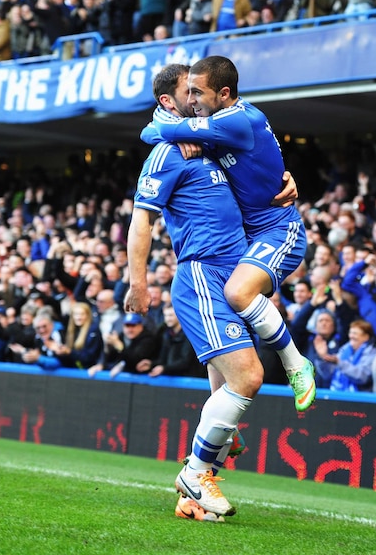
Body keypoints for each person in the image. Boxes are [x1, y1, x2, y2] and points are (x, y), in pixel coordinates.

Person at [126, 63, 268, 518]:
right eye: (189, 91)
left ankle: (193, 496)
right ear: (171, 102)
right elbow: (141, 219)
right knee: (247, 378)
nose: (198, 97)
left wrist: (284, 182)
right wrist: (139, 281)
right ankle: (196, 471)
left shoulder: (211, 144)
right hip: (203, 276)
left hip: (234, 278)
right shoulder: (168, 152)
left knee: (228, 389)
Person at [142, 56, 315, 412]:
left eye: (197, 92)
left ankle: (296, 364)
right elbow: (149, 132)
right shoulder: (213, 122)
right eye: (186, 92)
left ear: (223, 93)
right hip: (249, 237)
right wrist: (175, 131)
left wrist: (174, 129)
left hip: (279, 229)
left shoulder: (235, 121)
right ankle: (219, 417)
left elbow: (160, 130)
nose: (191, 100)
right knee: (223, 325)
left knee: (237, 293)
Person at [323, 319, 376, 392]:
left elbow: (362, 376)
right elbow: (328, 374)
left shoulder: (372, 353)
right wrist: (323, 356)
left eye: (355, 333)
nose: (351, 336)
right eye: (350, 332)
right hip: (337, 394)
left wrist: (339, 363)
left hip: (359, 399)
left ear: (366, 337)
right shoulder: (344, 349)